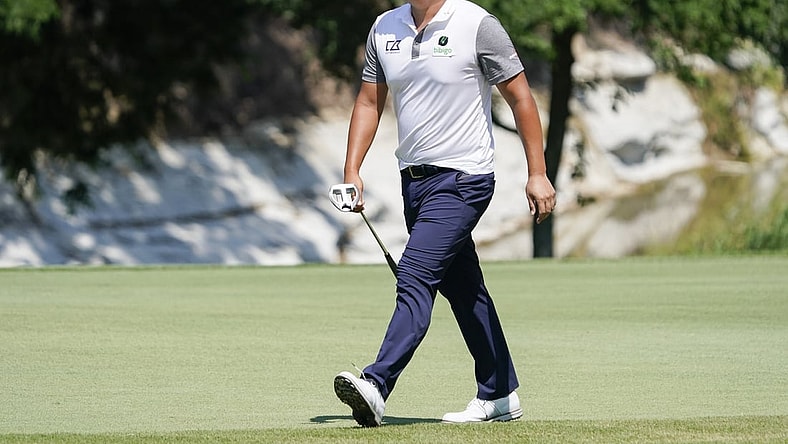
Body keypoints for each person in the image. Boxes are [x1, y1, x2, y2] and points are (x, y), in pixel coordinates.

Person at [333, 0, 556, 427]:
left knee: (415, 273)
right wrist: (352, 171)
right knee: (464, 287)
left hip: (464, 180)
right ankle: (500, 394)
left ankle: (377, 383)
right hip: (413, 184)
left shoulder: (476, 24)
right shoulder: (385, 27)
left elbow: (521, 97)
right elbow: (367, 102)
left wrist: (538, 173)